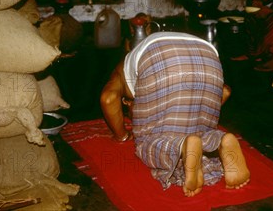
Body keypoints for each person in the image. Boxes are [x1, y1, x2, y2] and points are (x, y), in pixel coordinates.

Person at [100, 31, 249, 197]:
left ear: (127, 102)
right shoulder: (138, 57)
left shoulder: (121, 70)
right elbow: (225, 91)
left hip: (160, 59)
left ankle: (180, 146)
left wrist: (121, 135)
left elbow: (108, 98)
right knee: (198, 130)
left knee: (147, 141)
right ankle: (221, 140)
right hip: (209, 57)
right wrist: (195, 111)